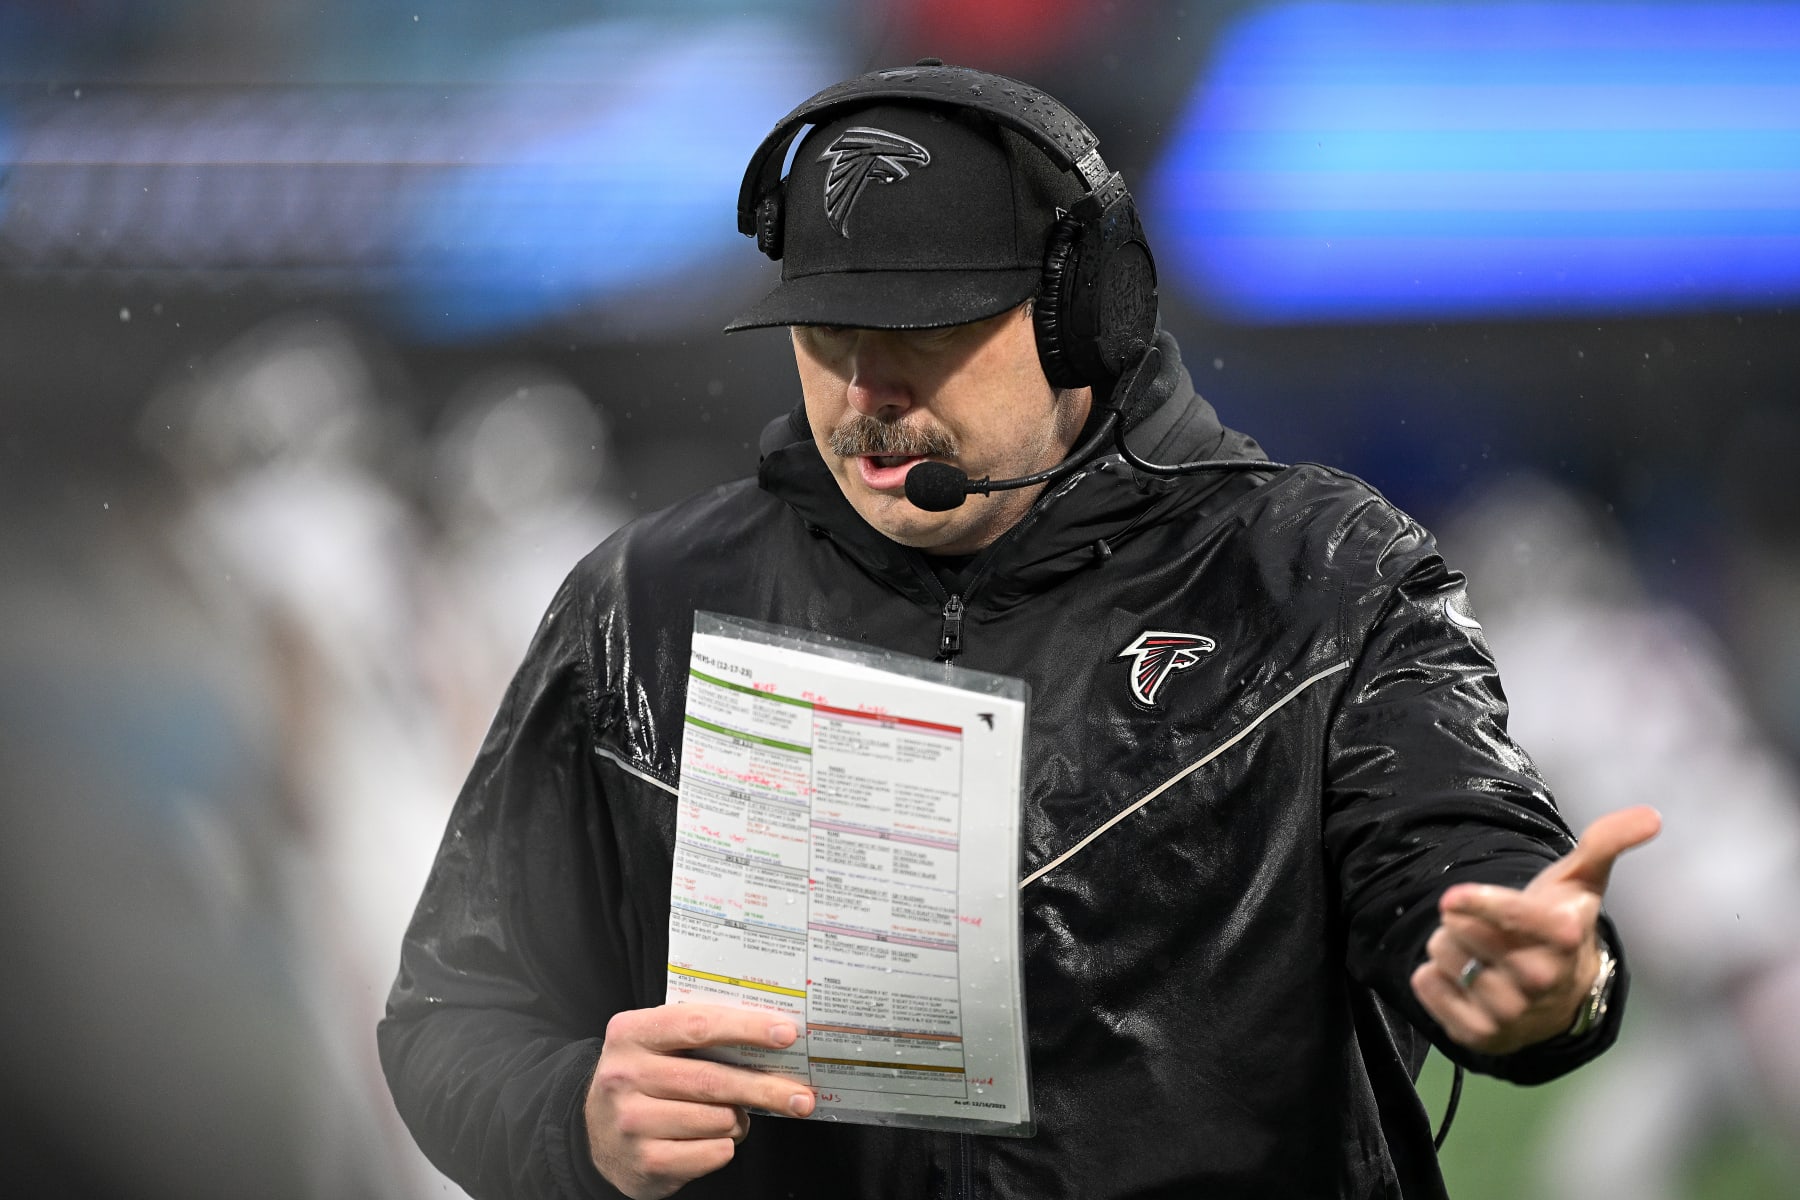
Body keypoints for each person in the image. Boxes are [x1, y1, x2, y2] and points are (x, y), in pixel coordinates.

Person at [378, 63, 1659, 1200]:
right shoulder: (642, 608)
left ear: (1082, 318)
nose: (867, 392)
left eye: (926, 330)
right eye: (827, 334)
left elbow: (1464, 867)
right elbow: (456, 1011)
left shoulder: (1310, 575)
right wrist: (572, 1120)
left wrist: (1550, 980)